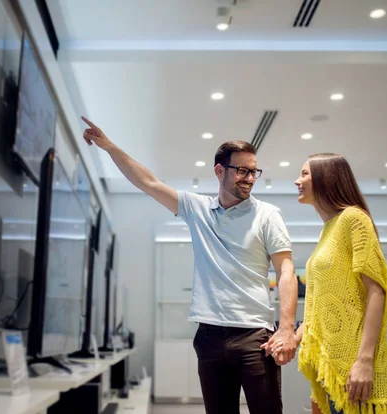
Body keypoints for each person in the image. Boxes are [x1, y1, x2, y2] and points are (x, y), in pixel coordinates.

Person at [81, 116, 298, 414]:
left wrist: (286, 328)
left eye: (254, 171)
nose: (249, 178)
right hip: (209, 338)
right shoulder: (197, 208)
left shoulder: (267, 215)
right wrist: (109, 147)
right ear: (220, 171)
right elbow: (147, 181)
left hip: (254, 337)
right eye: (242, 171)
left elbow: (286, 269)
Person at [264, 153, 387, 414]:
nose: (297, 181)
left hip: (355, 367)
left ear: (327, 178)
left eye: (304, 173)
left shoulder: (353, 219)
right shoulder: (328, 228)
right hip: (331, 366)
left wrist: (364, 360)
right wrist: (290, 339)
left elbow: (377, 291)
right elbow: (322, 306)